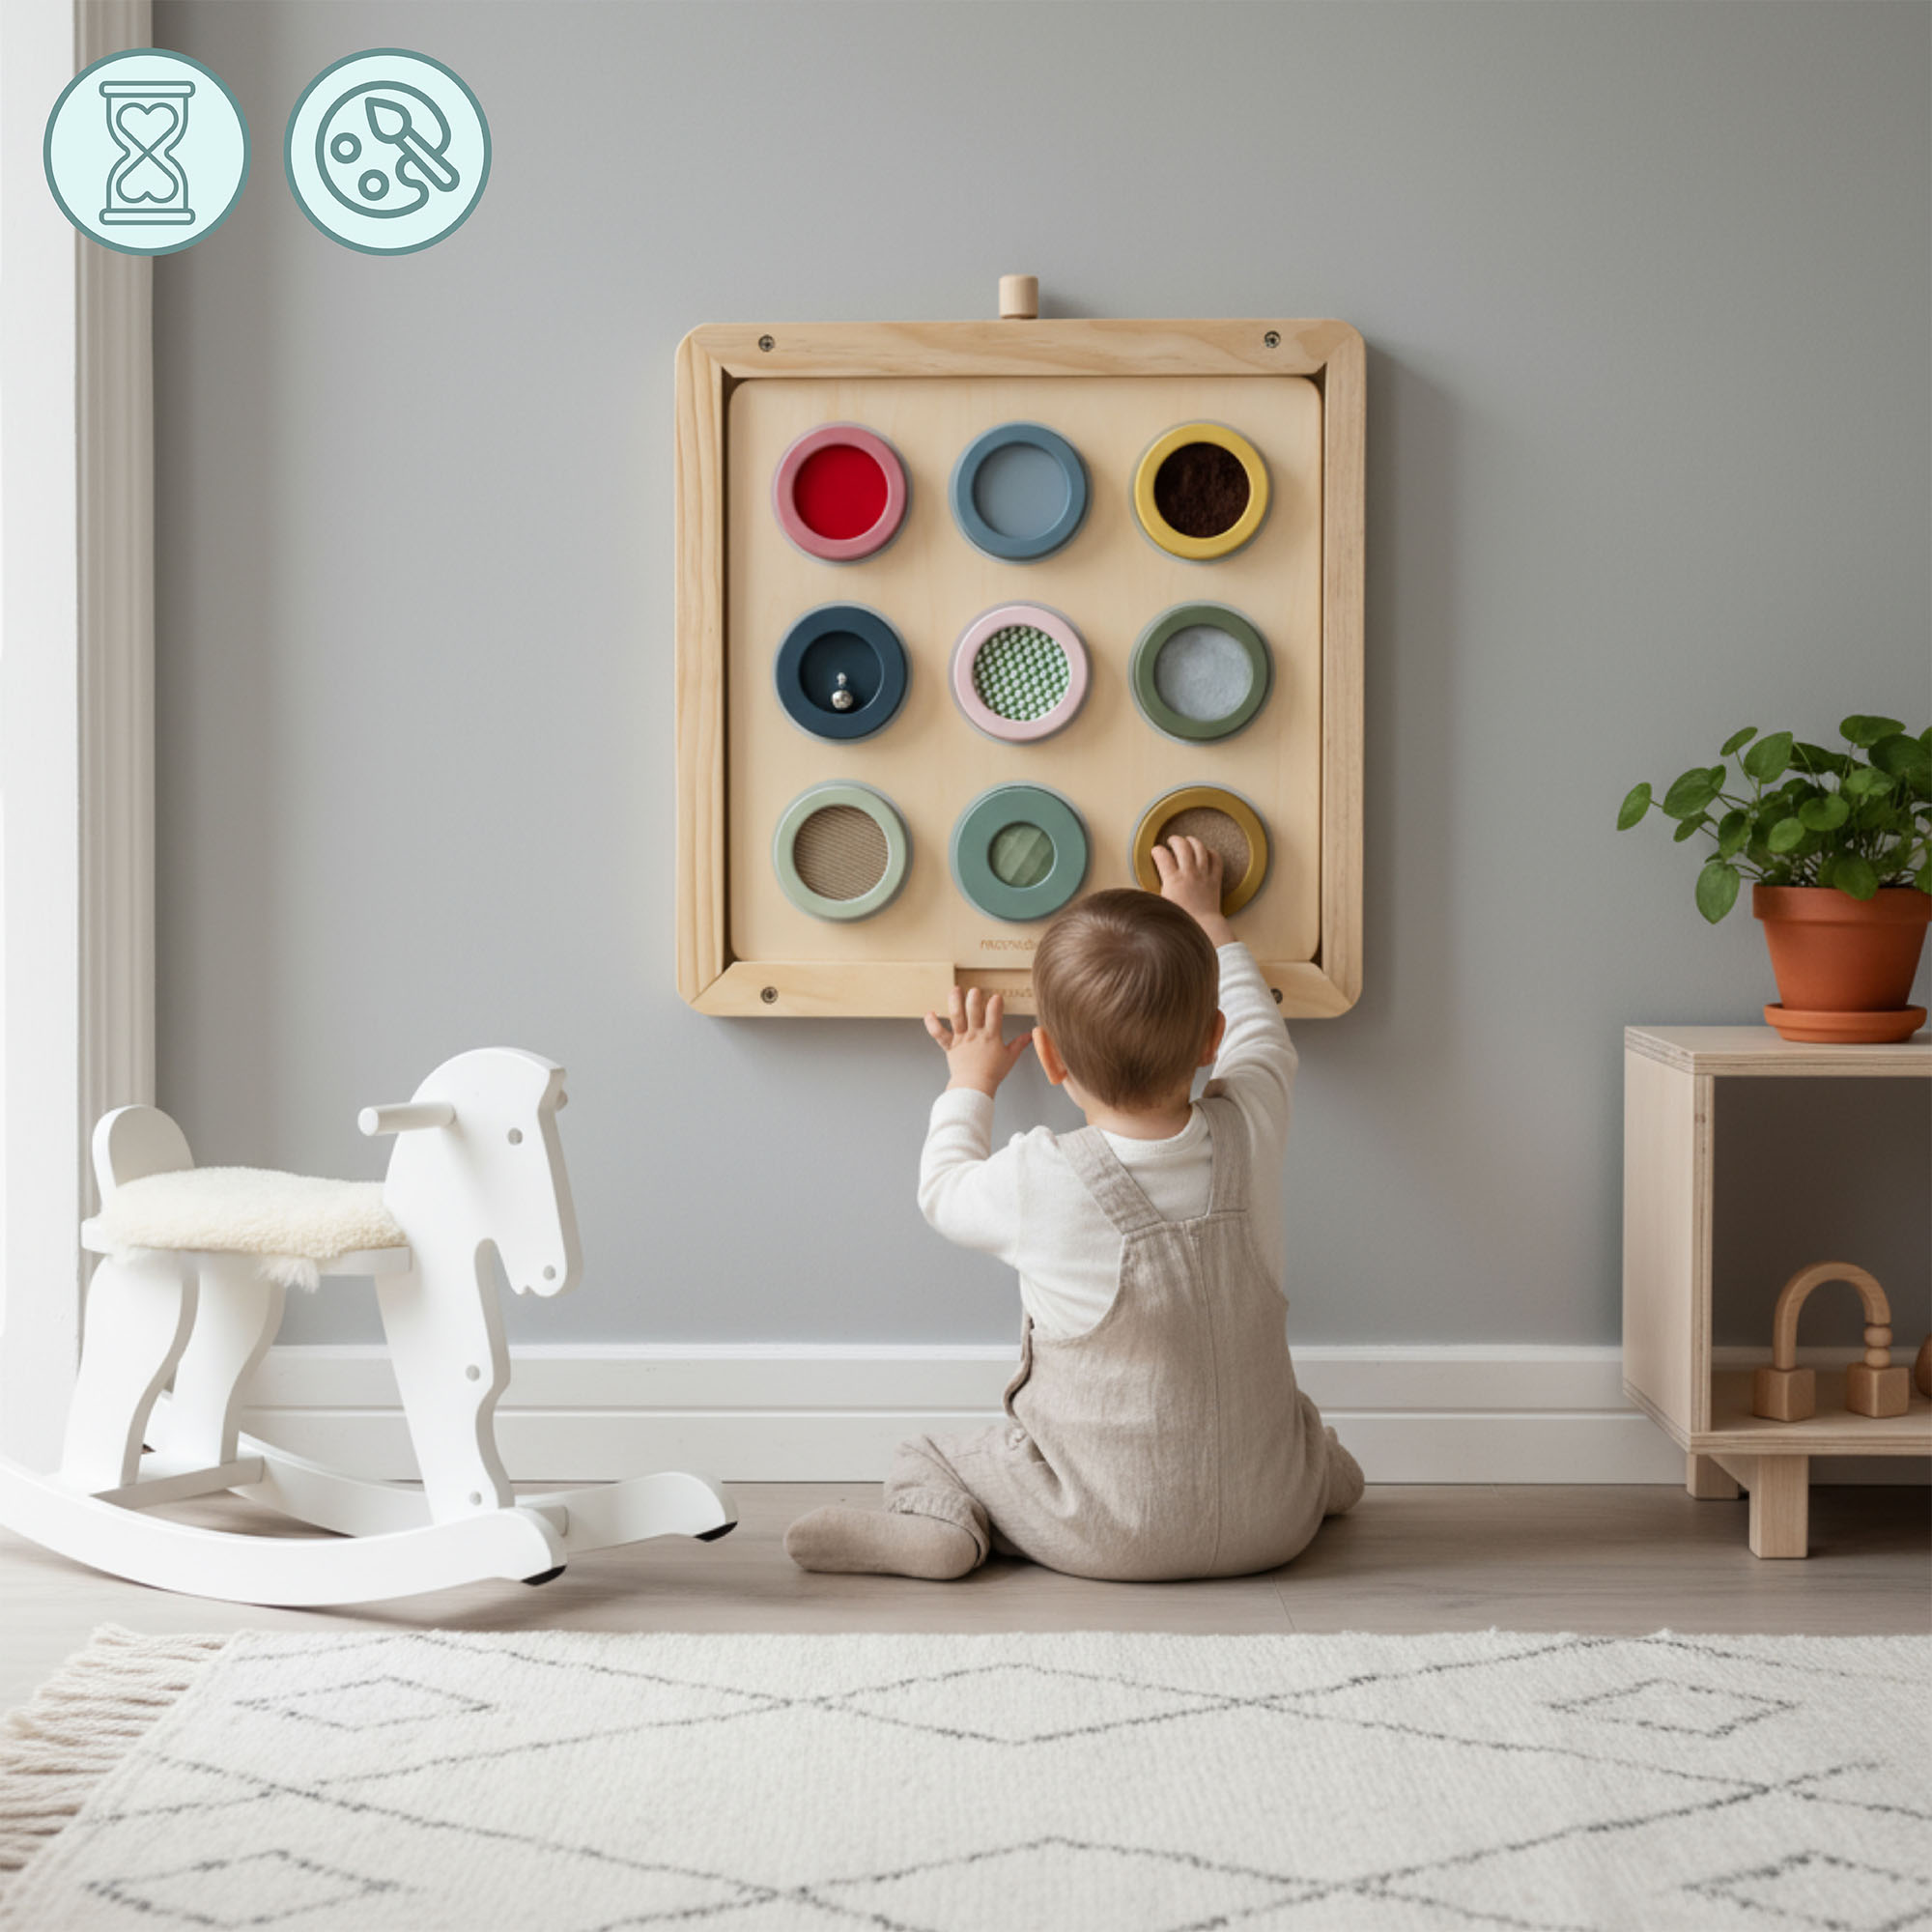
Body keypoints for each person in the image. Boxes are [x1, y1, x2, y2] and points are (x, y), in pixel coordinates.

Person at [785, 837, 1362, 1582]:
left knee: (930, 1456)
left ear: (1051, 1058)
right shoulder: (1252, 1124)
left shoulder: (1042, 1176)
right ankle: (1319, 1483)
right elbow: (1261, 1034)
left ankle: (943, 1527)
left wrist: (970, 1080)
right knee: (1300, 1433)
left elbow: (943, 1190)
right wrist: (1206, 918)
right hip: (1274, 1523)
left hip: (1104, 1527)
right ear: (1210, 1040)